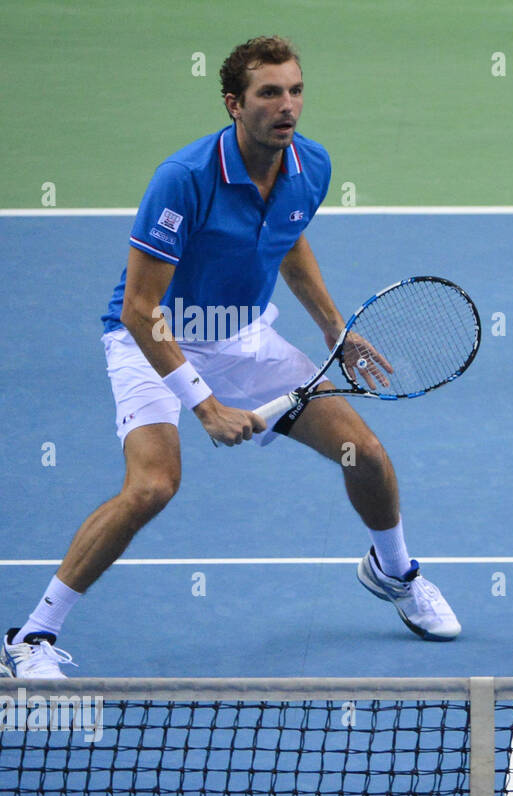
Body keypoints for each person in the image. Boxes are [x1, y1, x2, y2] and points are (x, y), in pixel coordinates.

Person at [2, 36, 460, 680]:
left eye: (295, 90)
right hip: (154, 337)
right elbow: (139, 308)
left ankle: (395, 571)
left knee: (369, 455)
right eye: (269, 93)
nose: (287, 106)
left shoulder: (311, 165)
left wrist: (334, 329)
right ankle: (33, 635)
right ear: (233, 104)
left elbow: (288, 238)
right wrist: (206, 404)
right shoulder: (184, 180)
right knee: (152, 487)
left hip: (244, 339)